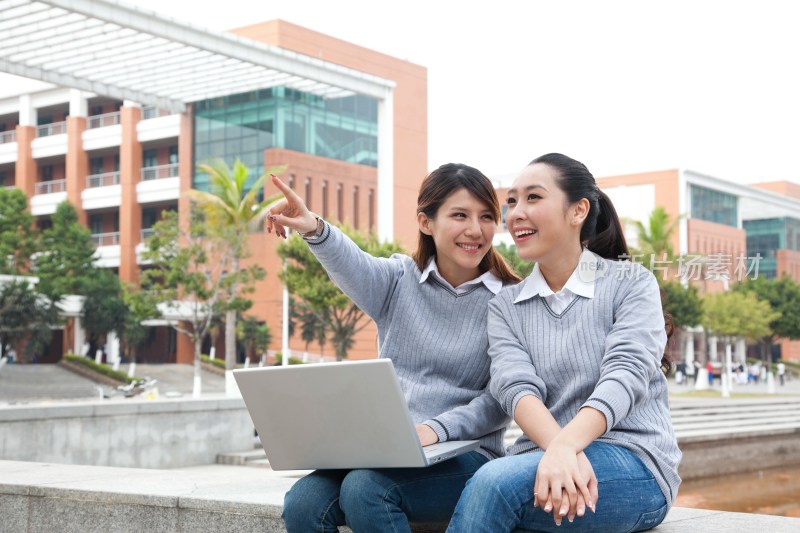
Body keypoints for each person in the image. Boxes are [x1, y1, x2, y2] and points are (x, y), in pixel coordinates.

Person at [266, 163, 521, 532]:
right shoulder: (398, 280)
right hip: (383, 450)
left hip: (464, 453)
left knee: (365, 489)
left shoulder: (510, 301)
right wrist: (313, 227)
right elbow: (351, 264)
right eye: (460, 215)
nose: (475, 230)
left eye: (486, 217)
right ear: (425, 222)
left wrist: (435, 430)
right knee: (303, 503)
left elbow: (501, 399)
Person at [447, 153, 681, 533]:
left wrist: (562, 448)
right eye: (511, 201)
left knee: (495, 485)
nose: (516, 213)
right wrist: (559, 449)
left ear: (578, 211)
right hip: (543, 456)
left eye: (533, 198)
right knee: (494, 487)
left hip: (633, 460)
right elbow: (515, 388)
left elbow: (626, 374)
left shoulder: (631, 283)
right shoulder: (506, 305)